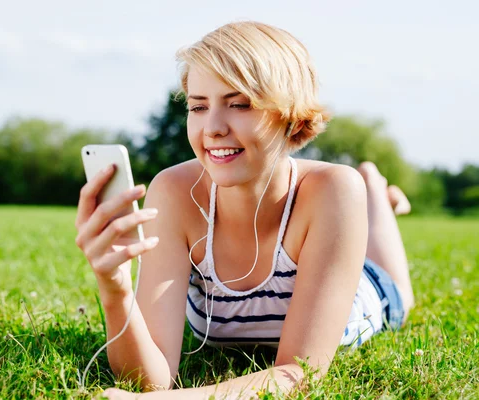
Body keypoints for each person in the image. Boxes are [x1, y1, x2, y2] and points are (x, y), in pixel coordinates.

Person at [75, 21, 414, 399]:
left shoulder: (333, 189)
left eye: (239, 104)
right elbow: (149, 380)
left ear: (292, 116)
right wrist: (116, 289)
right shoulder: (173, 192)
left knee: (398, 286)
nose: (213, 127)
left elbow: (300, 374)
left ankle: (375, 191)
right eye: (198, 106)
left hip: (371, 291)